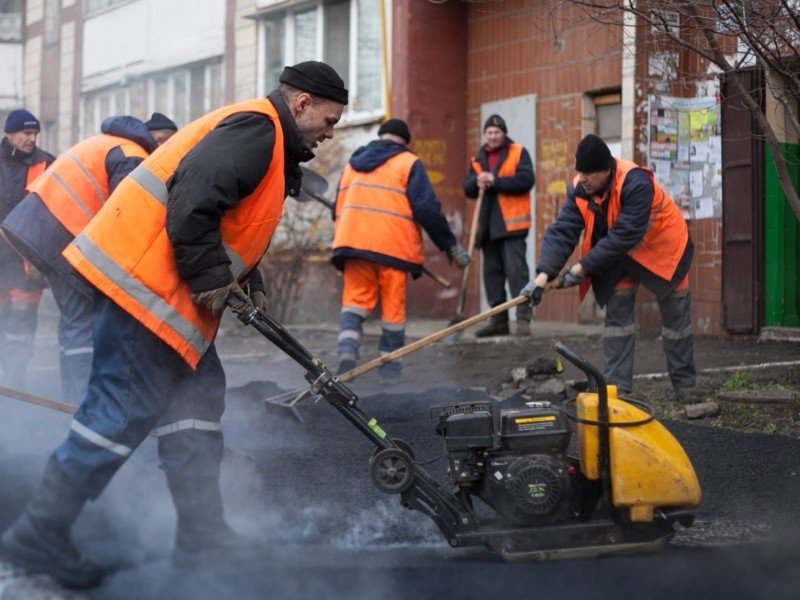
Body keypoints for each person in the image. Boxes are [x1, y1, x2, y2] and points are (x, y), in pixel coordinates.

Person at [0, 61, 348, 588]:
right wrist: (211, 276)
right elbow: (192, 203)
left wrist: (246, 278)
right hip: (145, 290)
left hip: (168, 299)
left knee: (198, 403)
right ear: (301, 103)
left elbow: (228, 217)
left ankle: (202, 534)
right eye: (329, 119)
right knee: (117, 413)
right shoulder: (257, 129)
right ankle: (37, 534)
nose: (330, 131)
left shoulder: (270, 142)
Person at [521, 134, 696, 399]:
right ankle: (617, 390)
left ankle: (686, 387)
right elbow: (563, 231)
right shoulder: (580, 189)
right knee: (617, 320)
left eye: (589, 173)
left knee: (676, 320)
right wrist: (542, 277)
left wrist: (581, 269)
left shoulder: (636, 182)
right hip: (620, 256)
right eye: (580, 171)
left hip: (664, 249)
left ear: (607, 170)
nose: (583, 178)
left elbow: (625, 234)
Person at [1, 115, 159, 404]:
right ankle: (80, 401)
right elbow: (126, 213)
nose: (31, 139)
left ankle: (68, 397)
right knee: (82, 321)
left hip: (37, 236)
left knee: (71, 321)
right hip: (63, 241)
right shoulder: (132, 156)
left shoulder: (103, 144)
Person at [332, 118, 470, 382]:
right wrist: (449, 246)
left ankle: (347, 355)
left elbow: (336, 208)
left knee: (354, 304)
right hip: (392, 249)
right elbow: (427, 209)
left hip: (352, 245)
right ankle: (389, 368)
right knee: (392, 312)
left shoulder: (352, 164)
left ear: (380, 136)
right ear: (405, 142)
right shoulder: (408, 163)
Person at [462, 114, 535, 337]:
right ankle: (498, 322)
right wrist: (477, 181)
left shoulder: (518, 152)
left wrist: (496, 181)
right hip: (487, 227)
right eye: (489, 132)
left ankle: (523, 320)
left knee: (517, 273)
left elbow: (526, 180)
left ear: (504, 134)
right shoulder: (478, 158)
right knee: (492, 277)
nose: (493, 136)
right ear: (485, 134)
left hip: (511, 226)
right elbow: (467, 189)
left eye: (497, 132)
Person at [0, 109, 55, 388]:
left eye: (34, 134)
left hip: (26, 260)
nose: (31, 139)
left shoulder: (47, 164)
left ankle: (15, 380)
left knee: (22, 323)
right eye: (26, 133)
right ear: (9, 134)